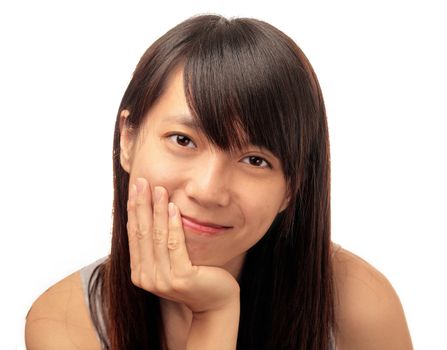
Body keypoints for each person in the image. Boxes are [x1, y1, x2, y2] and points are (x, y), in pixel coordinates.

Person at [24, 14, 413, 350]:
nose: (208, 190)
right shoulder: (67, 322)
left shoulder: (357, 304)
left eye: (255, 160)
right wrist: (213, 314)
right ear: (128, 139)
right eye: (183, 140)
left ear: (292, 188)